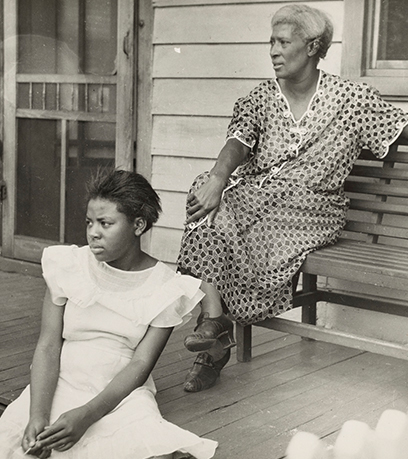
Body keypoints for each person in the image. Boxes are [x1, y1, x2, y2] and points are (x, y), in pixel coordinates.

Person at [178, 3, 408, 393]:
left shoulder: (350, 99)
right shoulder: (261, 98)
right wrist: (218, 177)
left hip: (311, 210)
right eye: (271, 41)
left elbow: (398, 127)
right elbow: (239, 139)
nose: (273, 50)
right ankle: (214, 321)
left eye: (283, 42)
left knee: (221, 226)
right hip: (258, 199)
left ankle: (213, 343)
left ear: (314, 46)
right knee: (207, 197)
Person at [0, 170, 218, 459]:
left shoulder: (165, 287)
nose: (93, 232)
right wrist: (37, 414)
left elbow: (141, 363)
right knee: (21, 443)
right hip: (58, 381)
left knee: (139, 444)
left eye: (105, 223)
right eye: (90, 222)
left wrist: (87, 415)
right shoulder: (69, 265)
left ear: (138, 225)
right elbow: (48, 345)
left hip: (120, 392)